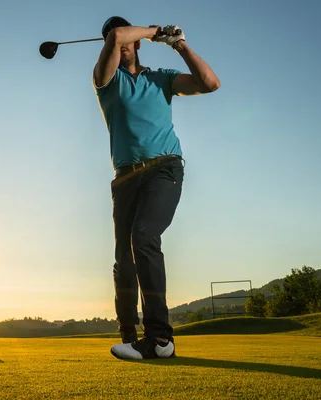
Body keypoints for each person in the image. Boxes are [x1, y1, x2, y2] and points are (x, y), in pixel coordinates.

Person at [93, 16, 220, 360]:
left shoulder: (161, 79)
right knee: (124, 260)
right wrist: (154, 33)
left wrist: (179, 44)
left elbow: (210, 83)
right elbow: (117, 34)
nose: (120, 45)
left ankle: (160, 340)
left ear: (135, 45)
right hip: (125, 178)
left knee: (145, 236)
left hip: (164, 168)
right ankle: (129, 334)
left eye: (126, 42)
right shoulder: (106, 80)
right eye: (113, 44)